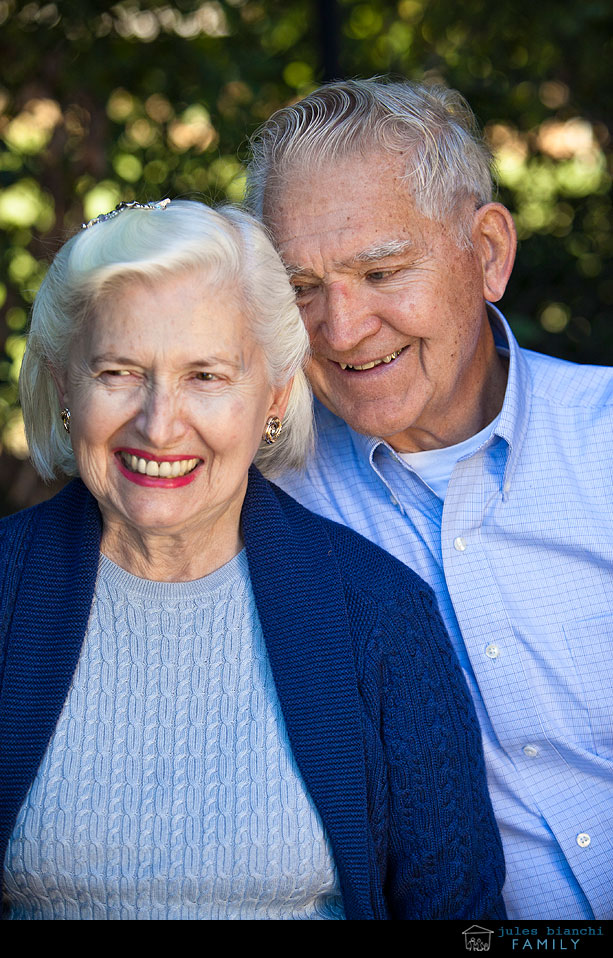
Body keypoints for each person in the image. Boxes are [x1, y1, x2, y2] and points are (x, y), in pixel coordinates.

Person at [0, 199, 505, 921]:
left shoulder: (380, 613)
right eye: (117, 371)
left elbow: (460, 915)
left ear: (273, 394)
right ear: (62, 386)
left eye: (205, 376)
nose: (159, 423)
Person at [247, 78, 613, 920]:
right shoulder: (266, 507)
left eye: (380, 270)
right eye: (301, 288)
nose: (340, 330)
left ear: (486, 253)